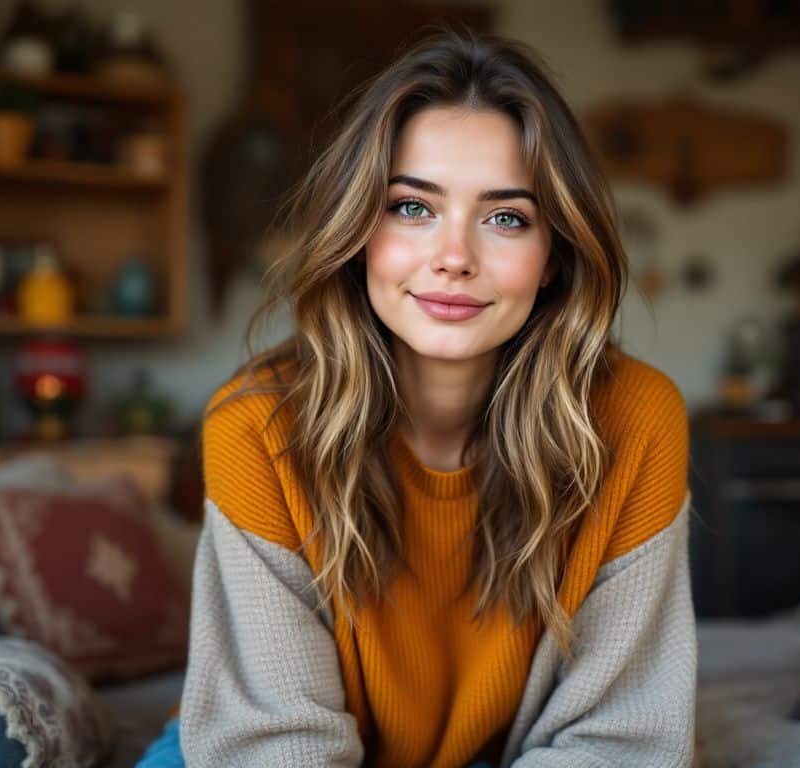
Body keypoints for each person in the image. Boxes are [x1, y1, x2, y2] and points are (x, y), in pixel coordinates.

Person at [140, 28, 694, 768]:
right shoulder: (257, 427)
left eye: (506, 217)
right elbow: (279, 749)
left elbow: (623, 738)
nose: (455, 258)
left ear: (555, 253)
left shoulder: (635, 422)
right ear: (356, 230)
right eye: (411, 208)